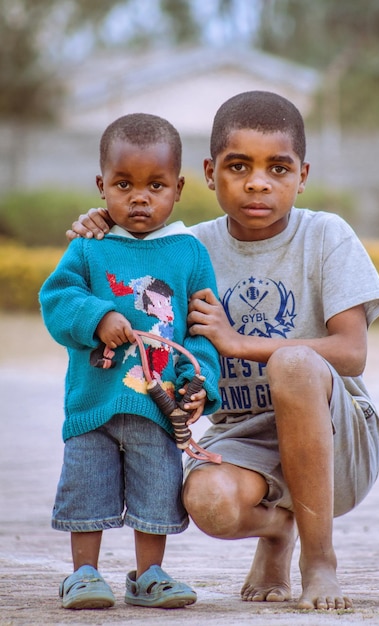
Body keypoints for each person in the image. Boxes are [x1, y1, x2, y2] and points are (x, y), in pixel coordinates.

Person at [67, 91, 379, 611]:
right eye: (239, 166)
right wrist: (104, 223)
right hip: (243, 439)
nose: (258, 182)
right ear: (210, 172)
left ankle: (319, 559)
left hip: (338, 440)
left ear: (302, 175)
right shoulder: (185, 248)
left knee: (294, 363)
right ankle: (278, 532)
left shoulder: (326, 235)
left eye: (278, 168)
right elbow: (121, 255)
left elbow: (351, 353)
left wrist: (240, 343)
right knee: (207, 502)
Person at [40, 113, 221, 610]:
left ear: (179, 189)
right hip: (93, 401)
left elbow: (202, 335)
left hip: (156, 407)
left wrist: (198, 384)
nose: (140, 197)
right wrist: (96, 317)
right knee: (86, 487)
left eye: (155, 185)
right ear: (101, 185)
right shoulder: (89, 246)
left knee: (156, 489)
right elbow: (56, 300)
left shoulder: (189, 253)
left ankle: (149, 576)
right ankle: (83, 575)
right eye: (124, 184)